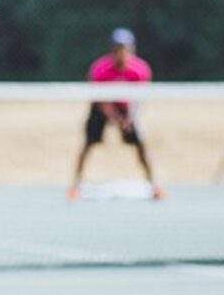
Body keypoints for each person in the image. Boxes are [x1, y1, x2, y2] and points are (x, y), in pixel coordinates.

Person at [69, 28, 165, 201]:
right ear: (112, 50)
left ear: (131, 49)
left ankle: (154, 185)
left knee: (140, 144)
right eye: (118, 48)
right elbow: (101, 100)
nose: (121, 52)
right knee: (88, 143)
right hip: (102, 106)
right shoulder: (100, 69)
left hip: (126, 108)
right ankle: (75, 185)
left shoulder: (140, 69)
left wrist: (129, 118)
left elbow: (139, 98)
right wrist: (116, 119)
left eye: (125, 48)